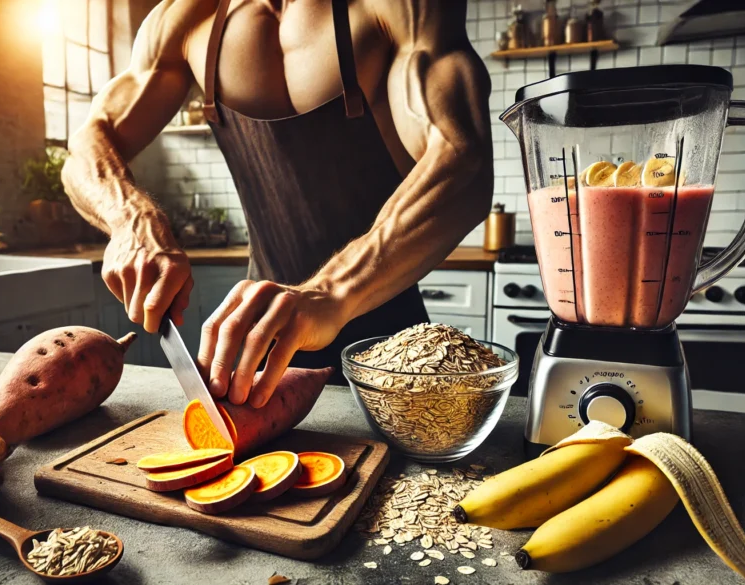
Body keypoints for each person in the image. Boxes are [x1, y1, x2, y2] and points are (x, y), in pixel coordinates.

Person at [62, 0, 494, 408]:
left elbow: (461, 160)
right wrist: (132, 218)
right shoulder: (188, 18)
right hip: (258, 345)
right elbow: (87, 143)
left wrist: (330, 292)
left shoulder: (396, 8)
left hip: (392, 351)